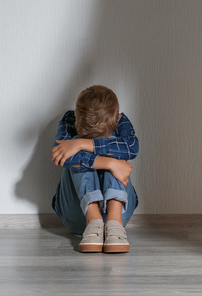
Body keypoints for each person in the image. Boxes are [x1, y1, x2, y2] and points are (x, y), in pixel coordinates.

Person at [51, 85, 139, 253]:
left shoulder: (120, 121)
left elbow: (132, 148)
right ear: (76, 115)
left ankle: (114, 222)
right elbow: (60, 155)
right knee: (73, 147)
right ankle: (93, 220)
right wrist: (111, 163)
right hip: (76, 216)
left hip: (120, 215)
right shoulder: (69, 120)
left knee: (114, 143)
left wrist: (81, 143)